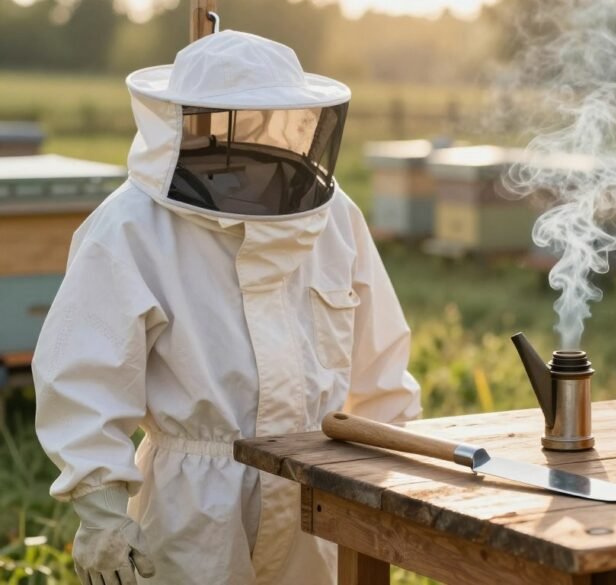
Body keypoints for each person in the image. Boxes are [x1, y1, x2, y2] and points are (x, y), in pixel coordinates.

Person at [33, 30, 421, 585]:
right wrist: (100, 511)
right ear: (184, 118)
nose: (244, 137)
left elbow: (380, 368)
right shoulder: (130, 228)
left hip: (321, 497)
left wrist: (391, 485)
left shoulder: (336, 218)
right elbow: (82, 374)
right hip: (193, 509)